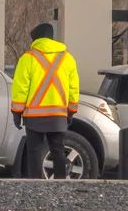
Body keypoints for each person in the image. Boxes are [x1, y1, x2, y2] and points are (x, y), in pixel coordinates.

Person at [9, 23, 80, 179]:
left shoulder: (27, 59)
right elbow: (73, 88)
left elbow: (21, 88)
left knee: (34, 151)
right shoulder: (67, 59)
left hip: (34, 117)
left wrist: (17, 112)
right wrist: (71, 111)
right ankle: (60, 183)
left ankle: (35, 185)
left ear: (35, 39)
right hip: (58, 115)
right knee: (58, 149)